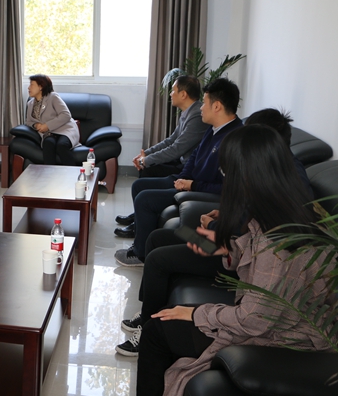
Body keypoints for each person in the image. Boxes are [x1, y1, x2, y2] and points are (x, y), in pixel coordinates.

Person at [90, 124, 333, 396]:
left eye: (229, 172)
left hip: (282, 338)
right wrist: (225, 250)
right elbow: (253, 263)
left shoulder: (277, 241)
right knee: (163, 308)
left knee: (159, 330)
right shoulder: (283, 212)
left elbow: (254, 319)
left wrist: (194, 312)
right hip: (274, 321)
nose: (226, 180)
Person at [116, 107, 313, 356]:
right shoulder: (268, 169)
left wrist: (213, 227)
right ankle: (148, 310)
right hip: (230, 242)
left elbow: (269, 232)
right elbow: (252, 212)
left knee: (158, 259)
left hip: (234, 254)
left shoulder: (291, 177)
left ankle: (148, 327)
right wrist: (221, 215)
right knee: (159, 238)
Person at [114, 78, 243, 267]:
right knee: (140, 186)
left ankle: (140, 255)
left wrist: (192, 185)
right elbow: (195, 156)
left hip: (200, 193)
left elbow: (226, 188)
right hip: (190, 184)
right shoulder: (214, 128)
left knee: (145, 199)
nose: (201, 107)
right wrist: (184, 177)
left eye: (204, 103)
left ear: (217, 106)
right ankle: (141, 241)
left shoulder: (235, 140)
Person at [115, 76, 208, 237]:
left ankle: (138, 223)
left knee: (146, 172)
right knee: (147, 169)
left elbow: (176, 149)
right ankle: (138, 218)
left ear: (183, 94)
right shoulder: (188, 112)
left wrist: (146, 160)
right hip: (181, 163)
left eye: (173, 90)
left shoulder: (196, 116)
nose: (170, 94)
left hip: (186, 170)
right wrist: (146, 154)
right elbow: (171, 140)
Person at [24, 74, 80, 165]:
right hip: (49, 133)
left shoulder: (53, 97)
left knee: (61, 145)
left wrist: (47, 125)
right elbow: (29, 121)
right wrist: (35, 125)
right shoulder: (30, 104)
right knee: (48, 144)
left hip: (65, 130)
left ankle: (74, 172)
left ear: (41, 87)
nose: (29, 87)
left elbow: (66, 114)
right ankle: (49, 173)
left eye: (32, 84)